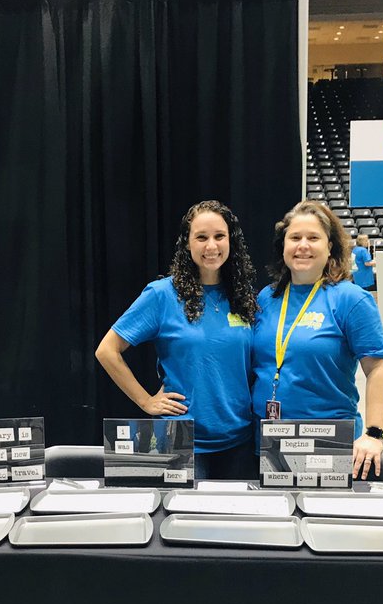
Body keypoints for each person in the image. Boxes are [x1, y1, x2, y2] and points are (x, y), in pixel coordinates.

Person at [96, 200, 260, 479]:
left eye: (220, 236)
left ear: (231, 240)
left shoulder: (242, 296)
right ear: (187, 243)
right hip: (180, 440)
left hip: (239, 440)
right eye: (201, 237)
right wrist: (146, 401)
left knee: (235, 521)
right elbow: (107, 350)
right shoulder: (162, 295)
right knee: (184, 522)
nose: (212, 246)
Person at [251, 200, 383, 479]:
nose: (303, 245)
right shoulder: (267, 298)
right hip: (266, 441)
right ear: (283, 246)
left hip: (328, 441)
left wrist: (375, 434)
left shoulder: (351, 299)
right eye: (295, 237)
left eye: (313, 237)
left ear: (330, 247)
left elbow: (377, 369)